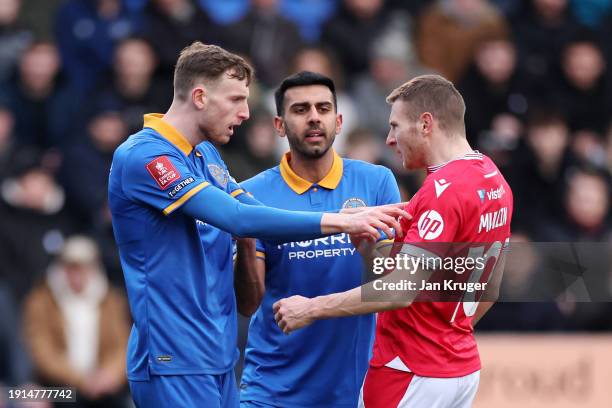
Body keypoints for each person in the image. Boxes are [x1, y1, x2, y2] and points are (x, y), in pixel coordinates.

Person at [107, 42, 408, 408]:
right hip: (174, 357)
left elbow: (248, 208)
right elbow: (237, 217)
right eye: (236, 99)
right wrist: (342, 220)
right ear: (200, 97)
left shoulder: (205, 155)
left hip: (217, 356)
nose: (246, 113)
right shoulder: (145, 156)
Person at [273, 74, 514, 408]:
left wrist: (311, 308)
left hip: (409, 368)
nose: (389, 139)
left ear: (426, 124)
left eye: (396, 126)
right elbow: (490, 287)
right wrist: (370, 249)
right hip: (459, 369)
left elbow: (400, 289)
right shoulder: (493, 178)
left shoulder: (444, 191)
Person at [236, 71, 401, 407]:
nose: (314, 117)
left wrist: (369, 252)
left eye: (323, 109)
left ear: (338, 121)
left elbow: (394, 287)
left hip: (353, 390)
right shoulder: (252, 193)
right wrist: (245, 239)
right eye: (300, 110)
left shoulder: (376, 182)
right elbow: (248, 303)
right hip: (272, 391)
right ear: (279, 126)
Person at [23, 235, 130, 407]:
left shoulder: (111, 300)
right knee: (23, 396)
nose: (77, 274)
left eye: (84, 267)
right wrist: (81, 380)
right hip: (60, 386)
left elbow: (122, 346)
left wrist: (109, 375)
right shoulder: (42, 300)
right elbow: (41, 350)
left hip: (105, 387)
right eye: (71, 267)